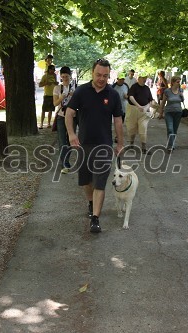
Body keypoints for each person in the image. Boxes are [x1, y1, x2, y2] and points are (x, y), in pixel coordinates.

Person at [65, 58, 124, 233]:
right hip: (83, 144)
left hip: (104, 146)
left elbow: (118, 120)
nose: (101, 78)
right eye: (98, 75)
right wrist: (71, 134)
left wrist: (120, 143)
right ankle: (91, 204)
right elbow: (69, 113)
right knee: (86, 181)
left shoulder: (113, 95)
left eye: (105, 76)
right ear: (92, 73)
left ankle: (96, 219)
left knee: (100, 182)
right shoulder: (81, 92)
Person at [53, 66, 77, 174]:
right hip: (61, 116)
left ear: (70, 76)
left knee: (70, 140)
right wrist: (62, 97)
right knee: (62, 141)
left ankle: (66, 160)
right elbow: (55, 103)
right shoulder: (57, 88)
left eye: (66, 76)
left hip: (73, 116)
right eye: (62, 77)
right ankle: (65, 164)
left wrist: (74, 95)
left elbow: (81, 102)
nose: (65, 79)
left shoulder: (75, 87)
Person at [126, 73, 155, 154]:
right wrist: (138, 106)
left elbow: (151, 100)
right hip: (133, 110)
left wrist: (146, 107)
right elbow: (131, 97)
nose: (145, 79)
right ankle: (131, 144)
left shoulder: (147, 88)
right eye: (143, 78)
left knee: (143, 128)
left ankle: (144, 148)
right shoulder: (134, 87)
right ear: (139, 78)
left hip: (144, 112)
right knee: (132, 128)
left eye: (145, 78)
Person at [158, 76, 184, 152]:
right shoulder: (167, 91)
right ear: (173, 82)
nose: (179, 83)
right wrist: (161, 112)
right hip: (169, 112)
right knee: (170, 129)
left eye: (179, 82)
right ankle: (170, 146)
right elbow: (163, 102)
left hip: (178, 112)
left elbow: (182, 100)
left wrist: (182, 95)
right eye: (177, 82)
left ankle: (172, 143)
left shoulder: (180, 90)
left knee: (174, 130)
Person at [38, 64, 58, 129]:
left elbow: (56, 83)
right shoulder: (45, 76)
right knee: (43, 110)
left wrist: (56, 83)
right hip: (47, 95)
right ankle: (41, 124)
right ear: (48, 69)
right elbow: (40, 85)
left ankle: (49, 123)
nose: (52, 71)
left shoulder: (55, 76)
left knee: (51, 110)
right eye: (51, 69)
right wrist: (46, 83)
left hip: (53, 95)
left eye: (53, 70)